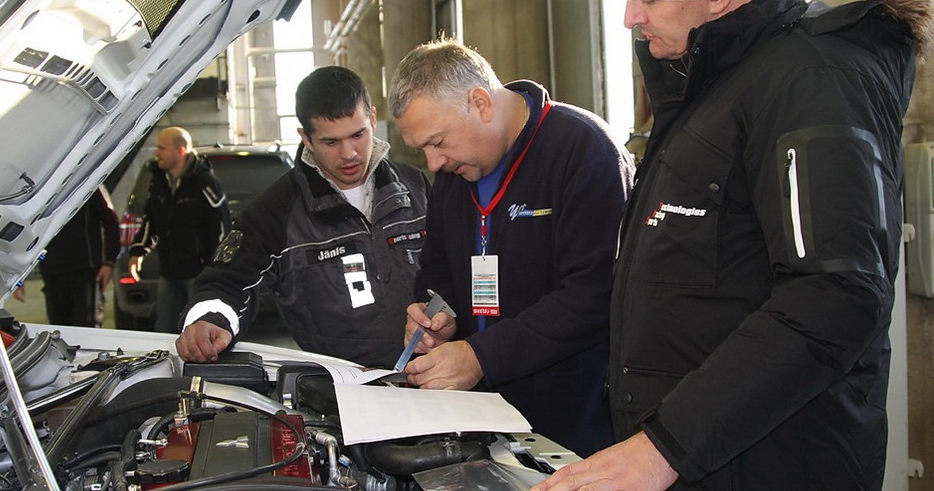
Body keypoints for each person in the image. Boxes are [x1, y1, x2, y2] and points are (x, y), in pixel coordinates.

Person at [534, 0, 934, 490]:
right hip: (702, 453)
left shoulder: (807, 82)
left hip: (771, 461)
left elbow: (835, 294)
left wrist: (662, 448)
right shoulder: (713, 81)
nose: (630, 16)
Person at [388, 38, 635, 458]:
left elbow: (593, 295)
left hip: (573, 420)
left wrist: (481, 356)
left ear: (481, 103)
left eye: (438, 142)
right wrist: (437, 314)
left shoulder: (583, 150)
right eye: (422, 150)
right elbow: (437, 271)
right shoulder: (455, 173)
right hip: (482, 417)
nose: (432, 164)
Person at [175, 66, 430, 368]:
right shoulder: (277, 210)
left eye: (358, 134)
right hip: (339, 391)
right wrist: (210, 320)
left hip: (433, 376)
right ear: (306, 138)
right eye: (331, 142)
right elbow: (226, 283)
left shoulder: (417, 187)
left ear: (373, 118)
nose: (349, 153)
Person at [128, 126, 231, 333]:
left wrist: (215, 270)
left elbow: (221, 229)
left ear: (181, 150)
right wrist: (138, 251)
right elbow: (150, 222)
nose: (156, 153)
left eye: (161, 148)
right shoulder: (157, 184)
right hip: (168, 273)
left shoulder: (205, 184)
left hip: (198, 275)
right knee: (164, 330)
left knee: (196, 331)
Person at [38, 186, 120, 327]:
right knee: (59, 329)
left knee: (87, 326)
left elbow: (111, 221)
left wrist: (109, 262)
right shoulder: (43, 187)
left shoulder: (90, 182)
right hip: (52, 270)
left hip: (85, 271)